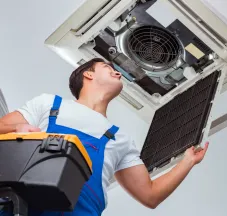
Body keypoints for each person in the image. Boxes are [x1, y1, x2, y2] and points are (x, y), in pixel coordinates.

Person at [0, 58, 209, 216]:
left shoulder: (120, 139)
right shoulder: (49, 105)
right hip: (24, 207)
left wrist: (187, 162)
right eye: (109, 68)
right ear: (88, 75)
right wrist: (19, 127)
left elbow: (150, 194)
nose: (118, 74)